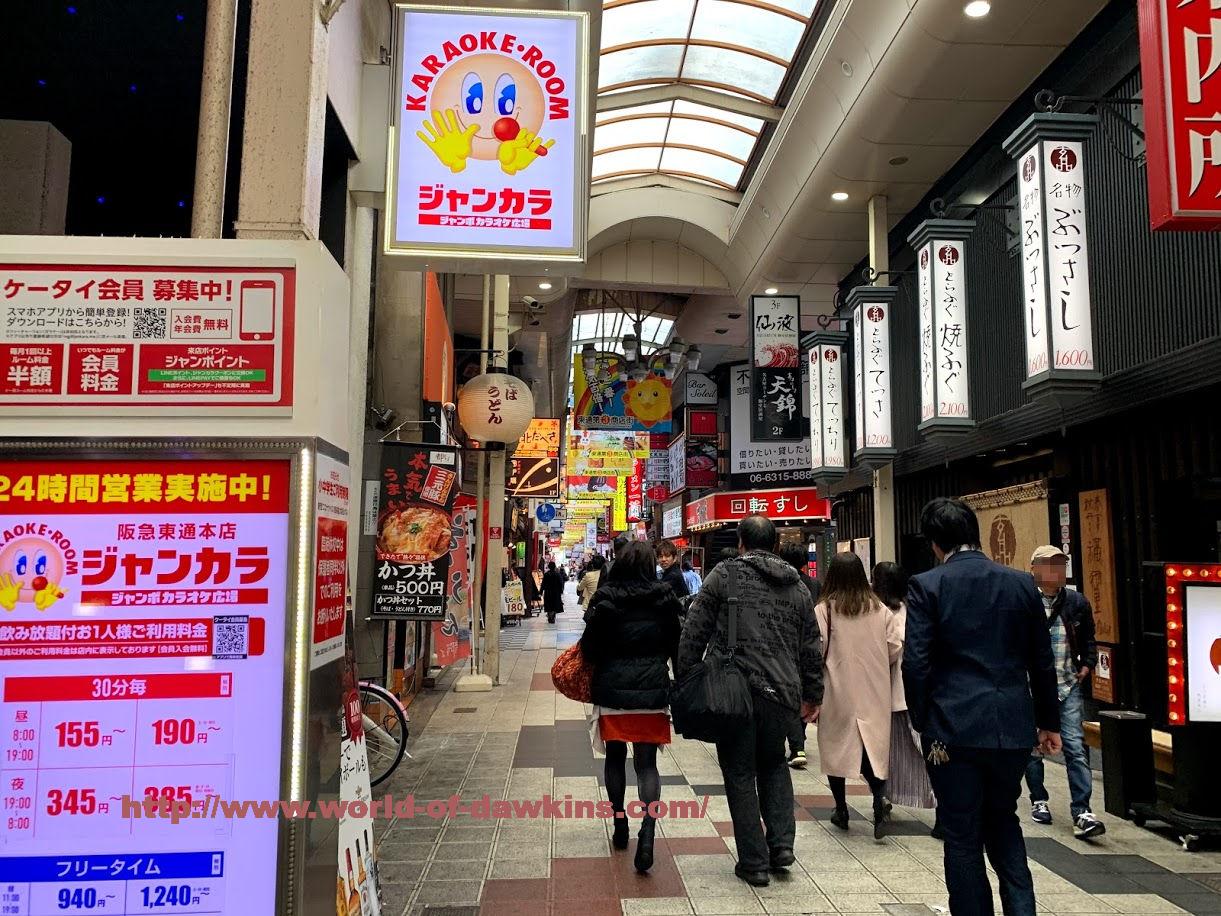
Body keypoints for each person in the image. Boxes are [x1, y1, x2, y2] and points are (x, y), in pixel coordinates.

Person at [904, 498, 1061, 916]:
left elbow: (916, 663)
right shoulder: (1020, 584)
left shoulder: (928, 585)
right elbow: (1041, 661)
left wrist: (923, 719)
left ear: (935, 543)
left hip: (952, 727)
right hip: (1010, 725)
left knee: (962, 835)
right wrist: (1048, 722)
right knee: (1004, 819)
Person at [678, 515, 823, 888]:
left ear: (741, 542)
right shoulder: (799, 587)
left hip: (735, 692)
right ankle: (782, 846)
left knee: (740, 773)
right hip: (782, 693)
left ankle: (755, 862)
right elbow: (810, 648)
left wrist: (687, 679)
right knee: (774, 764)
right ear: (775, 545)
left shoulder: (724, 574)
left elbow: (694, 632)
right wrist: (812, 695)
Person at [580, 542, 682, 874]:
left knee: (614, 758)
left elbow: (590, 650)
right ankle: (648, 832)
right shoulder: (665, 598)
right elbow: (676, 646)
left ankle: (620, 823)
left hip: (612, 691)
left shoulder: (606, 600)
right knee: (647, 765)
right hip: (652, 691)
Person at [816, 552, 902, 839]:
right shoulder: (880, 609)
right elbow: (894, 647)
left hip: (837, 688)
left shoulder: (825, 610)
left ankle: (841, 809)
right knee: (872, 747)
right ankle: (879, 798)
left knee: (836, 746)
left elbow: (816, 649)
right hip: (875, 689)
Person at [1024, 546, 1104, 839]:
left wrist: (1088, 665)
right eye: (1048, 565)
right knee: (1033, 746)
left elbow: (1089, 639)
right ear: (1033, 568)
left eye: (1060, 565)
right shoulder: (1025, 600)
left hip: (1067, 684)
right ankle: (1038, 799)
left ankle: (1082, 809)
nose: (1055, 571)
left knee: (1074, 745)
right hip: (1031, 685)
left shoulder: (1076, 602)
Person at [872, 561, 936, 821]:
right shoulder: (914, 609)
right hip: (910, 691)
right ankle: (885, 797)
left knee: (905, 750)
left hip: (895, 693)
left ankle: (886, 797)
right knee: (907, 750)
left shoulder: (884, 613)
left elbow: (892, 649)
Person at [779, 541, 821, 770]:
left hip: (786, 647)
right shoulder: (814, 584)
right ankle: (799, 740)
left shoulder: (782, 583)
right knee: (803, 693)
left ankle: (797, 746)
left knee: (789, 696)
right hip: (809, 646)